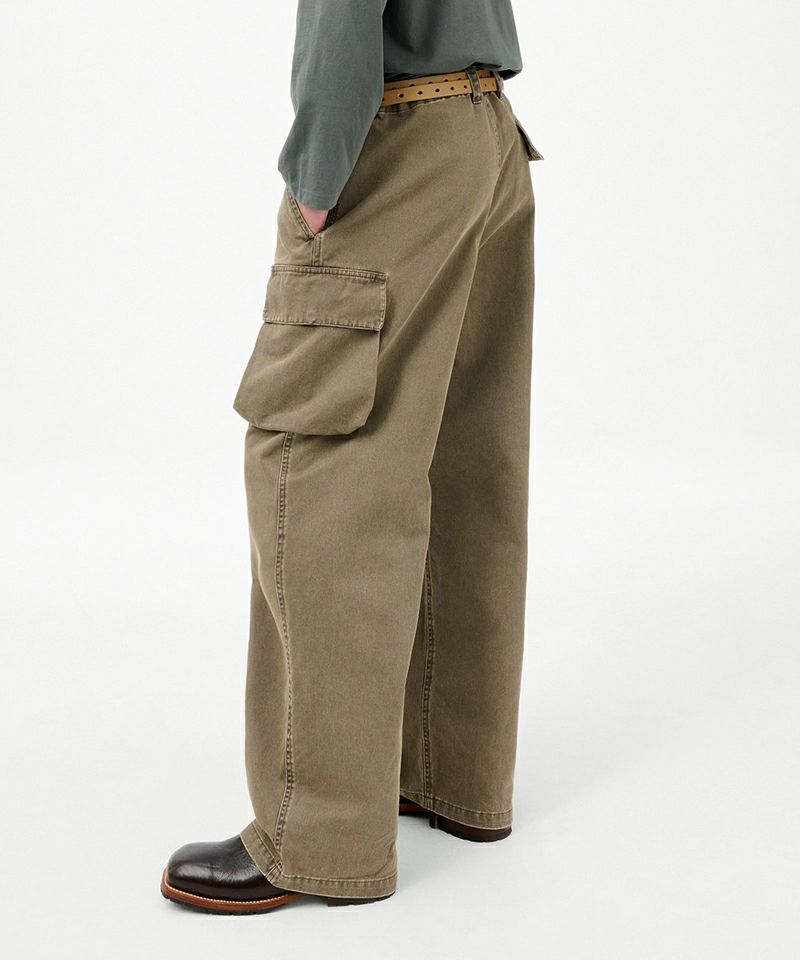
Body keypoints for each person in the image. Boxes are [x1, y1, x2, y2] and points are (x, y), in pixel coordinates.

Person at [161, 0, 541, 914]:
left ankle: (320, 836)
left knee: (323, 471)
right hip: (485, 134)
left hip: (398, 142)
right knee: (461, 465)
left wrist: (318, 171)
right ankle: (452, 772)